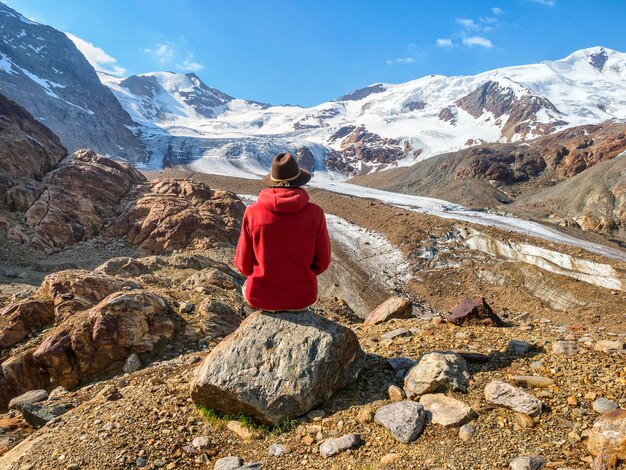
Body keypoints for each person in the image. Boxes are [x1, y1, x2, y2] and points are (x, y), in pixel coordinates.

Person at [234, 152, 331, 312]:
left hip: (260, 297)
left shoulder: (252, 212)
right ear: (298, 181)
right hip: (301, 297)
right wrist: (299, 276)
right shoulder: (315, 213)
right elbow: (323, 261)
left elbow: (243, 263)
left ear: (272, 181)